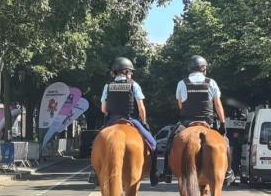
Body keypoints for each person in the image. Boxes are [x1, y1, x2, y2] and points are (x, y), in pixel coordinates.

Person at [160, 55, 234, 186]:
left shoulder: (182, 83)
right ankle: (228, 172)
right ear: (203, 68)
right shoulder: (211, 82)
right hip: (208, 122)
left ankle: (167, 172)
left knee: (170, 141)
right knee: (226, 143)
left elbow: (180, 104)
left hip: (187, 122)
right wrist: (222, 123)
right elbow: (218, 105)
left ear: (190, 69)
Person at [100, 57, 158, 185]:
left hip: (112, 120)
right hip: (129, 119)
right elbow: (141, 108)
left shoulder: (108, 86)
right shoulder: (134, 85)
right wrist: (143, 122)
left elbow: (103, 108)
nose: (131, 74)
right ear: (127, 72)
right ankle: (154, 174)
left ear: (115, 72)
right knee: (153, 144)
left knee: (96, 145)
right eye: (131, 72)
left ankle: (95, 173)